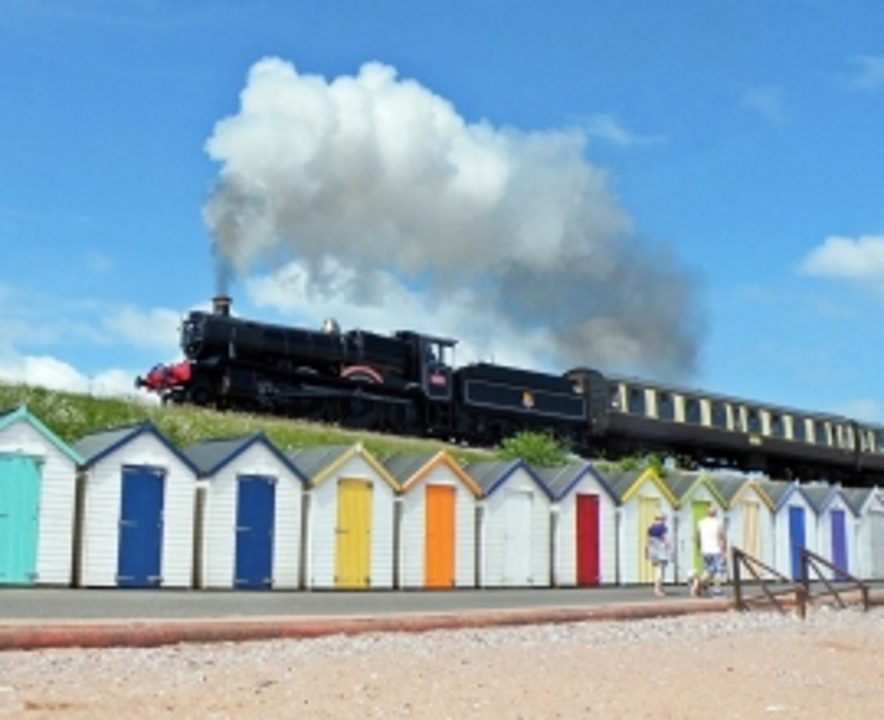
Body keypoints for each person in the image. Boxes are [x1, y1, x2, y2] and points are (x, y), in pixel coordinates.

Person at [695, 505, 727, 597]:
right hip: (716, 550)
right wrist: (724, 551)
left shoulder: (701, 523)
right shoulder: (718, 523)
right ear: (716, 513)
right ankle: (717, 590)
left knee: (707, 570)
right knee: (718, 571)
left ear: (707, 513)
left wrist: (699, 548)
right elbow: (721, 537)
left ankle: (699, 581)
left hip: (705, 550)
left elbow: (697, 537)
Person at [646, 514, 671, 597]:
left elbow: (648, 539)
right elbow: (665, 538)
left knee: (657, 569)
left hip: (653, 551)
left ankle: (659, 587)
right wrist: (669, 546)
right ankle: (657, 588)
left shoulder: (650, 528)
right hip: (661, 551)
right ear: (662, 519)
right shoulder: (663, 527)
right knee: (660, 570)